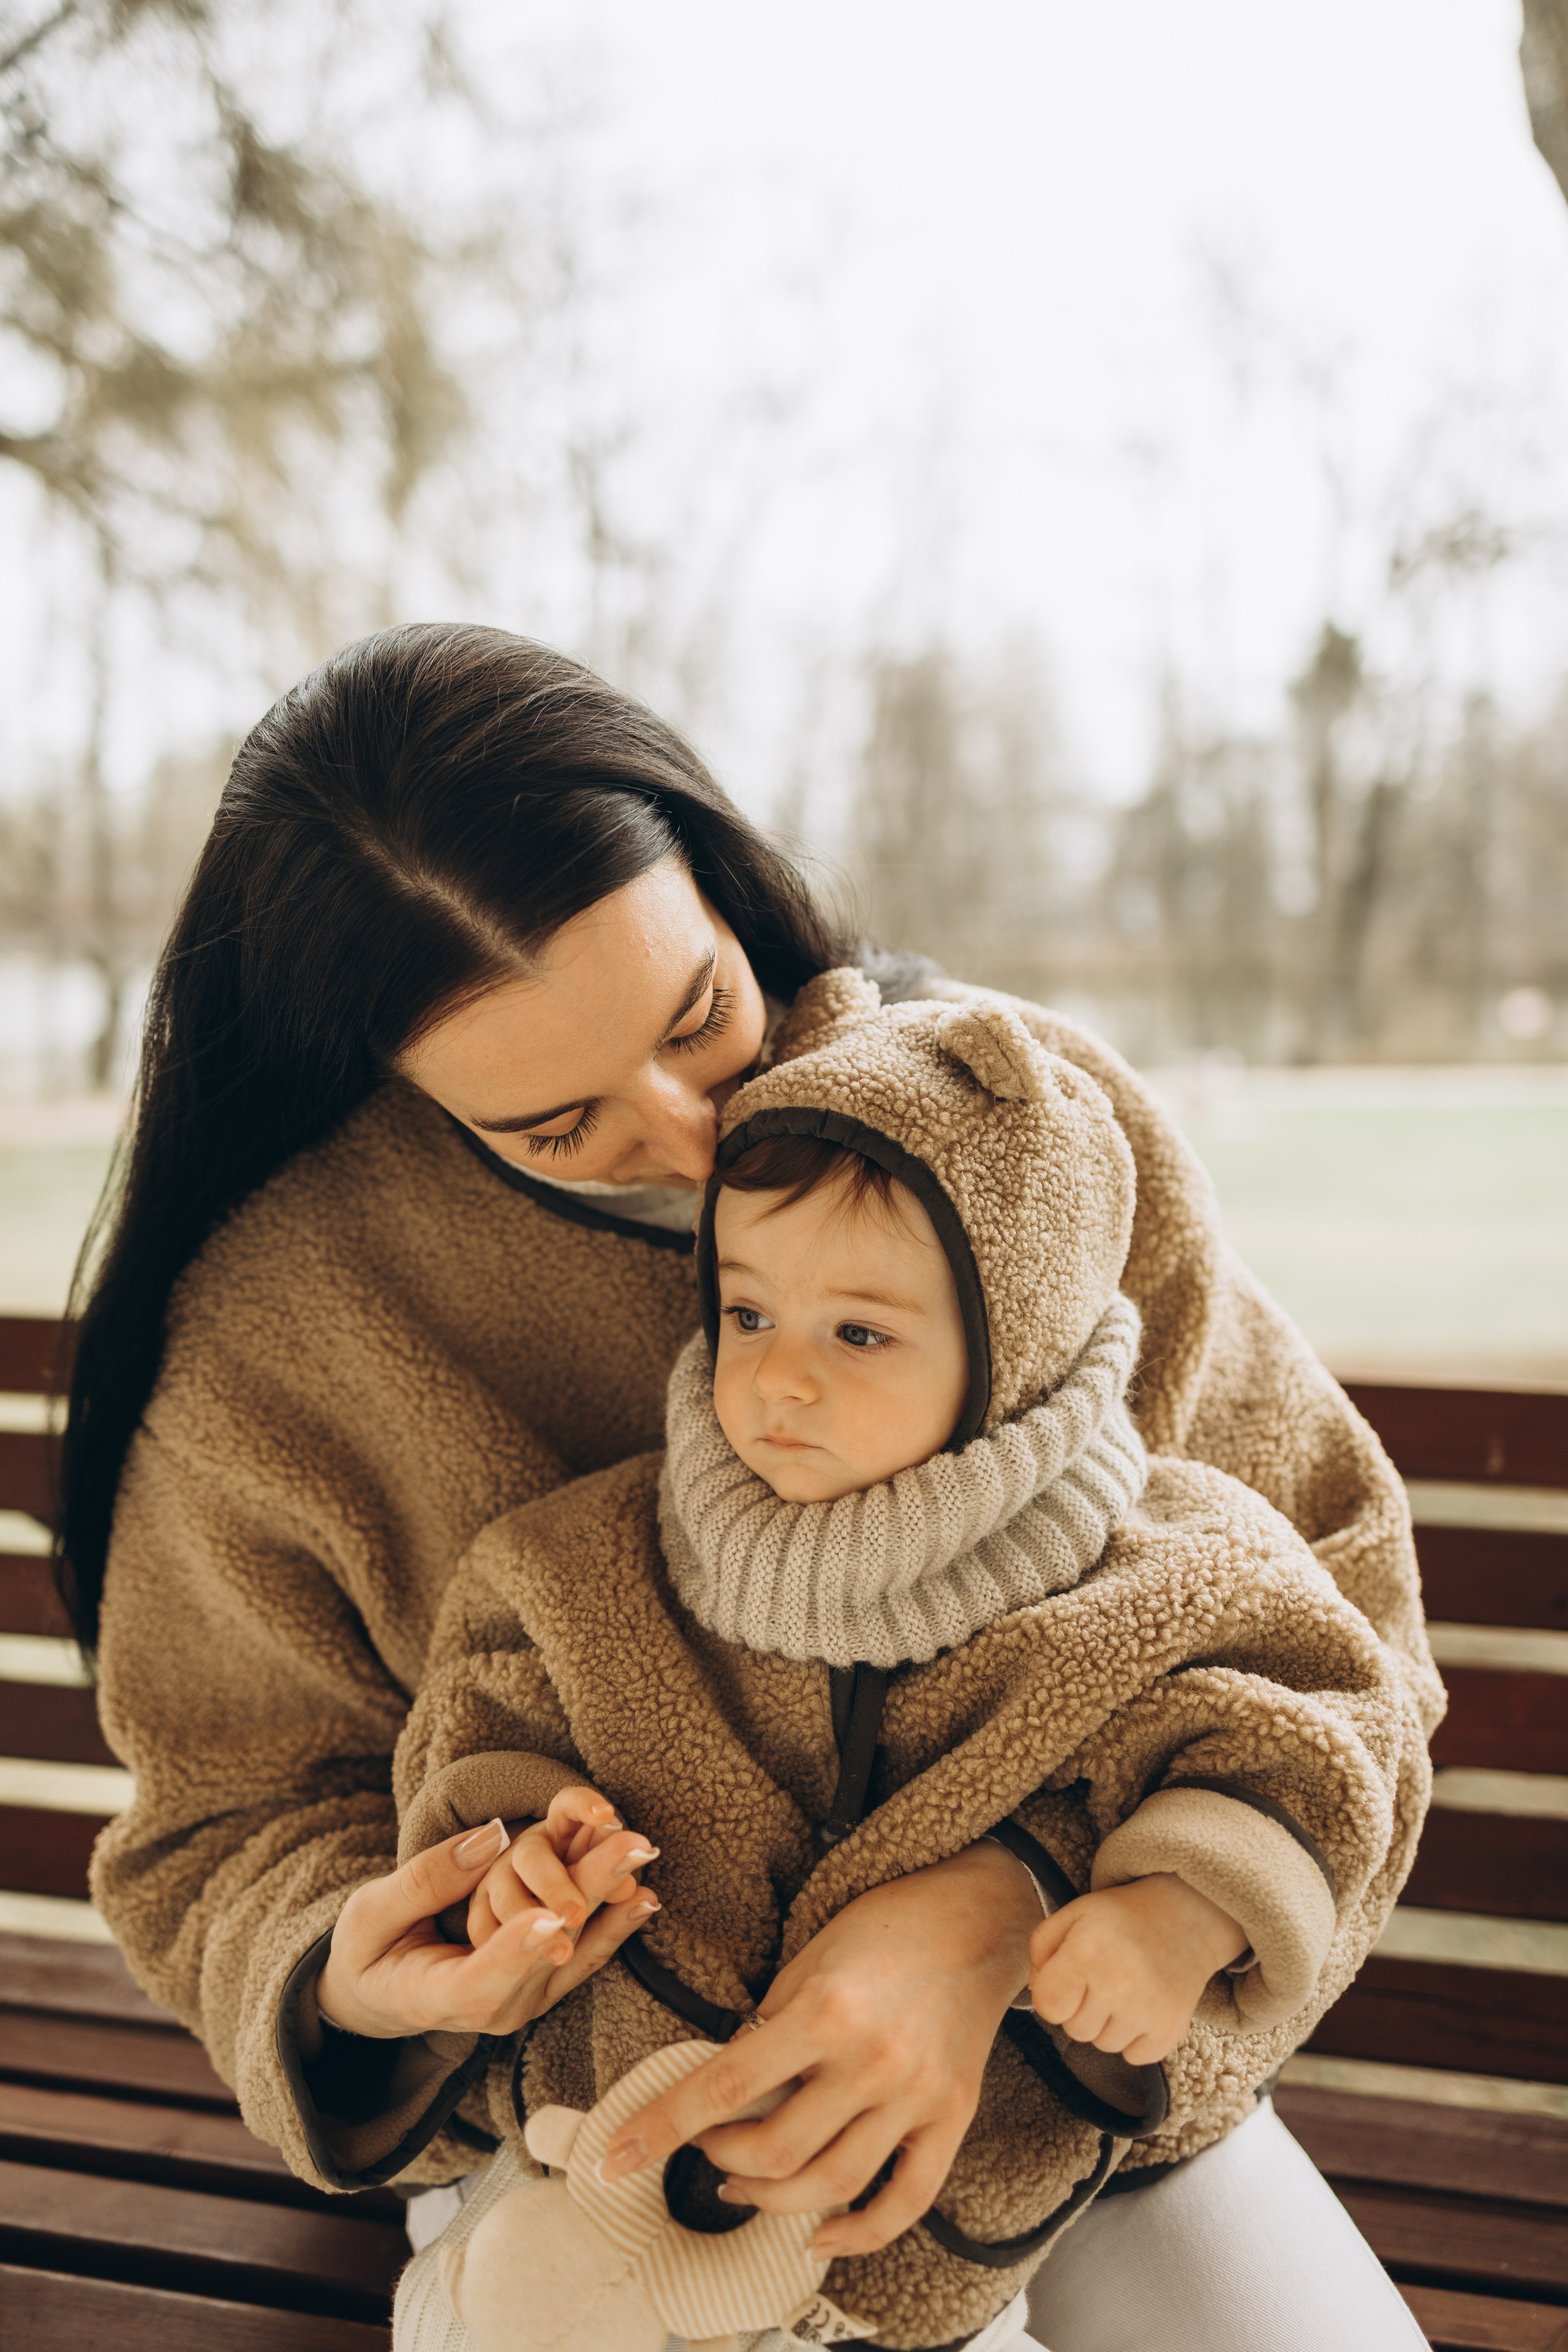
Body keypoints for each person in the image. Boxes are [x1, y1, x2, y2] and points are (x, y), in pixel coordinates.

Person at [62, 623, 1437, 2352]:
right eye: (558, 1125)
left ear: (721, 874)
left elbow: (1331, 1608)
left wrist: (1007, 1907)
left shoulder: (1026, 1131)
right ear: (393, 1091)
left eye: (702, 1012)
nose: (695, 1135)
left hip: (1084, 2074)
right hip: (615, 2136)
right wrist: (359, 1970)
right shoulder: (282, 1337)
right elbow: (225, 1828)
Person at [390, 973, 1431, 2351]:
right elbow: (482, 1724)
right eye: (747, 1316)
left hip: (983, 2169)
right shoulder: (581, 1566)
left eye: (859, 1335)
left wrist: (1179, 1908)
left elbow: (1309, 1730)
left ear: (1013, 1346)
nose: (780, 1381)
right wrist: (517, 1844)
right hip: (633, 2163)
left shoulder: (1171, 1567)